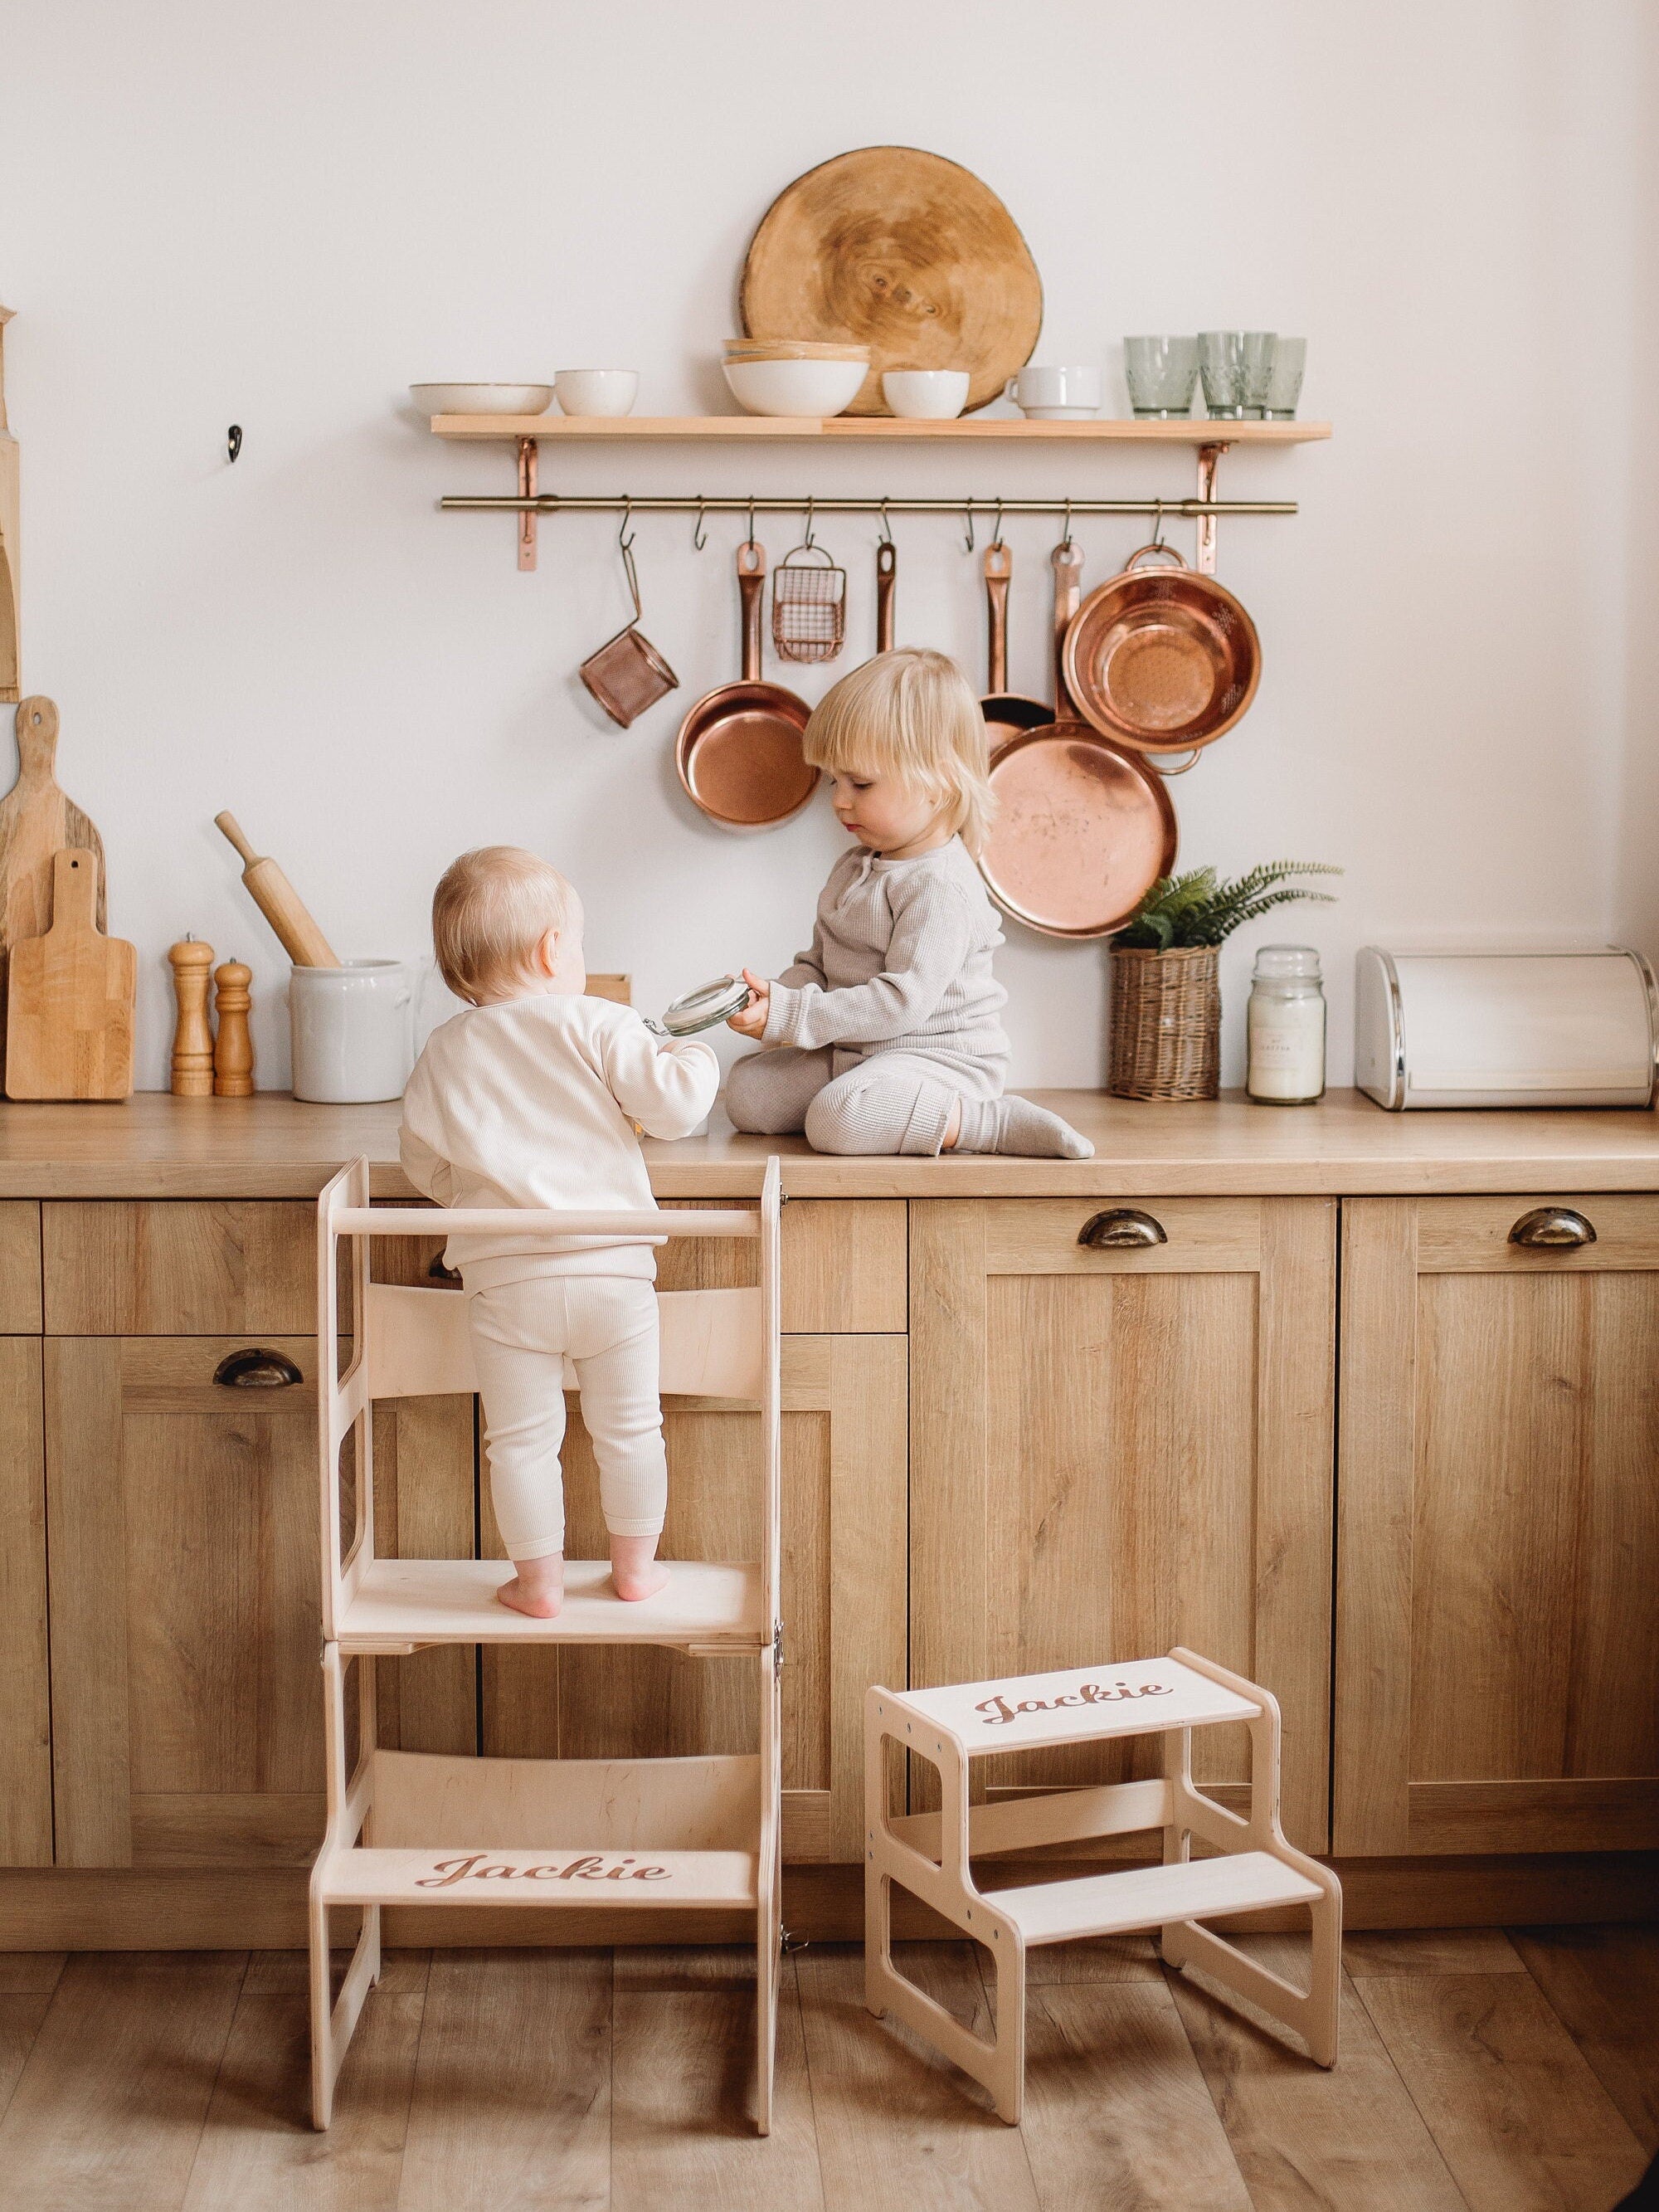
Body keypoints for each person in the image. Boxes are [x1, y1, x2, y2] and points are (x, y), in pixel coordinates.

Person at [399, 845, 718, 1620]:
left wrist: (475, 1197)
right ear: (552, 949)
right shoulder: (599, 1022)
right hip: (612, 1274)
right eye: (577, 942)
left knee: (519, 1443)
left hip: (506, 1285)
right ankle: (636, 1573)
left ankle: (537, 1585)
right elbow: (676, 1111)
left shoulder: (445, 1050)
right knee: (632, 1431)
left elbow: (422, 1163)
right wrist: (693, 1051)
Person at [725, 646, 1093, 1160]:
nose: (838, 799)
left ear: (939, 780)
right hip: (860, 1051)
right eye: (835, 780)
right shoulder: (854, 867)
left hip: (936, 1058)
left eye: (862, 782)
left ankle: (985, 1121)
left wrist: (794, 1017)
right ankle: (886, 1109)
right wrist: (774, 999)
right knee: (748, 1095)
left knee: (839, 1120)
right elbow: (819, 966)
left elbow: (902, 1004)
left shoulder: (941, 884)